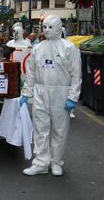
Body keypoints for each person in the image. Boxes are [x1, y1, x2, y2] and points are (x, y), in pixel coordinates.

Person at [20, 15, 81, 176]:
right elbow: (31, 72)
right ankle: (40, 162)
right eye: (44, 27)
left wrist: (72, 97)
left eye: (50, 27)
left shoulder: (69, 48)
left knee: (59, 130)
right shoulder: (38, 48)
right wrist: (27, 93)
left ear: (59, 27)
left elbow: (76, 74)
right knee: (40, 128)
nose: (46, 30)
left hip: (61, 92)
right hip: (41, 91)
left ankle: (56, 161)